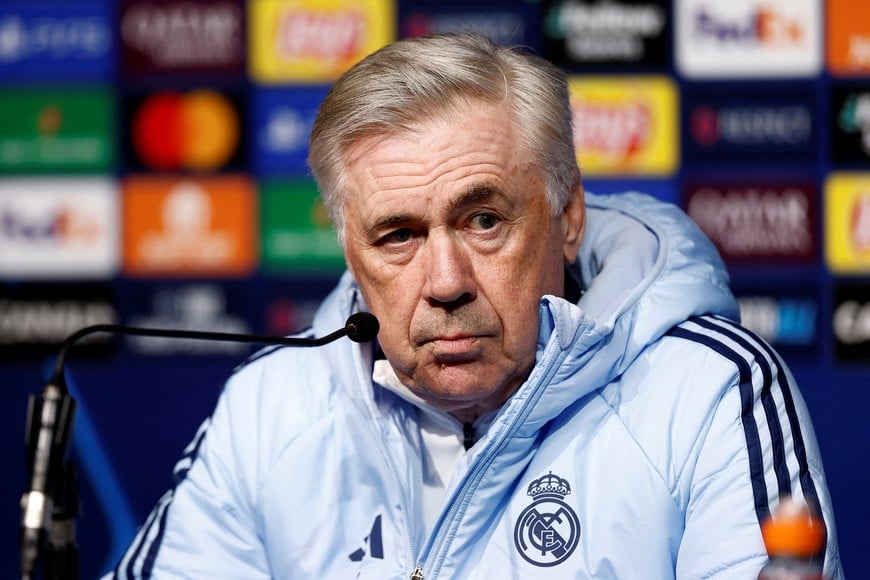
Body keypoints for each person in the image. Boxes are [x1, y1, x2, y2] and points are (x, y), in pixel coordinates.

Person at [107, 33, 842, 578]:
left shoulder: (710, 392)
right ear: (350, 254)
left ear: (568, 214)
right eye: (396, 235)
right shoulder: (270, 409)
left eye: (483, 220)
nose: (446, 280)